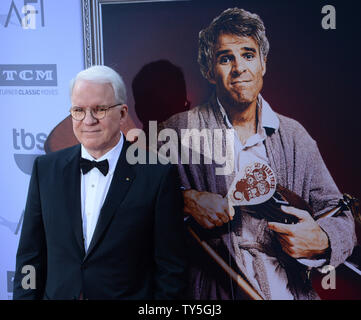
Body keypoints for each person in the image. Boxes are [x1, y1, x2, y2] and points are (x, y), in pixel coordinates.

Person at [160, 8, 356, 299]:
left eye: (249, 55)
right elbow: (135, 209)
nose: (239, 67)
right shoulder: (175, 130)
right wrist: (184, 201)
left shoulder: (294, 135)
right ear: (208, 71)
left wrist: (324, 240)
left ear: (263, 63)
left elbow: (341, 216)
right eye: (225, 58)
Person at [13, 65, 186, 300]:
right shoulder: (45, 170)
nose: (88, 120)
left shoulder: (156, 174)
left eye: (99, 109)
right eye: (78, 110)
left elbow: (171, 271)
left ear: (123, 113)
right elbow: (29, 259)